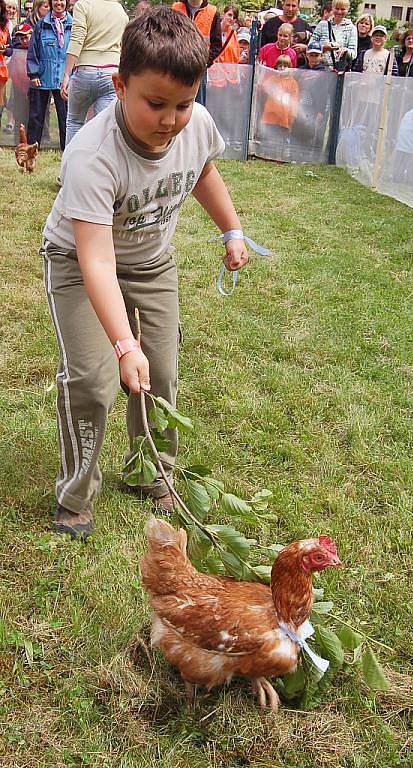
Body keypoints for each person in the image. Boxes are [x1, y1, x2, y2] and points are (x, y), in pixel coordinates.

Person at [41, 6, 248, 539]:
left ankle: (148, 471)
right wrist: (121, 345)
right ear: (119, 85)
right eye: (155, 103)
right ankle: (76, 493)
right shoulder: (92, 155)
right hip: (79, 263)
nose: (171, 120)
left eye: (183, 103)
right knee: (95, 378)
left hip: (153, 261)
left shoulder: (194, 126)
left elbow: (203, 171)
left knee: (161, 369)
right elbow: (97, 261)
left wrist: (231, 229)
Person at [60, 0, 129, 145]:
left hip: (85, 70)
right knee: (103, 127)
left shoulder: (84, 5)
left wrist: (66, 74)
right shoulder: (120, 11)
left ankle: (72, 165)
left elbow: (77, 39)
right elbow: (124, 46)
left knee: (74, 122)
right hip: (111, 73)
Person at [26, 0, 72, 150]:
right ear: (51, 3)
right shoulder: (41, 24)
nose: (59, 3)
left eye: (62, 0)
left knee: (66, 117)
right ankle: (31, 149)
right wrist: (33, 74)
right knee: (36, 117)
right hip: (43, 76)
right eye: (56, 0)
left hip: (64, 79)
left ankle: (68, 150)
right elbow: (33, 50)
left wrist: (72, 75)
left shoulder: (74, 25)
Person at [171, 0, 222, 106]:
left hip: (199, 69)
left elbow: (217, 45)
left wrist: (205, 62)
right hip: (176, 66)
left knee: (197, 107)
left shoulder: (213, 12)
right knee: (173, 102)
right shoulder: (176, 8)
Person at [260, 52, 299, 154]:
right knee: (269, 137)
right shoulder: (273, 79)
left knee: (281, 138)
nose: (282, 68)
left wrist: (292, 116)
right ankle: (267, 154)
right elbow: (264, 87)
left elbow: (294, 100)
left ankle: (280, 155)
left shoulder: (292, 83)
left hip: (283, 117)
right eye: (280, 65)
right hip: (270, 116)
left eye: (285, 66)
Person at [312, 0, 357, 71]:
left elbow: (353, 54)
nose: (339, 12)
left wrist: (345, 51)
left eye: (342, 9)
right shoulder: (322, 24)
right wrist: (324, 48)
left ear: (347, 10)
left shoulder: (352, 28)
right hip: (320, 68)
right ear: (332, 8)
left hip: (339, 70)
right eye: (337, 8)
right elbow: (311, 46)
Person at [7, 20, 32, 141]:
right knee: (19, 115)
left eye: (26, 37)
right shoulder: (16, 52)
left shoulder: (35, 51)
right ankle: (18, 139)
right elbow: (13, 71)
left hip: (33, 88)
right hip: (19, 89)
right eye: (21, 38)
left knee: (32, 115)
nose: (24, 41)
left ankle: (33, 139)